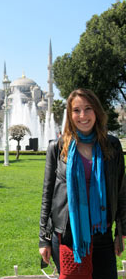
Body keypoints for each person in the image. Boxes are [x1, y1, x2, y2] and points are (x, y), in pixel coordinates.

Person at [39, 88, 126, 279]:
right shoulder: (58, 147)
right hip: (67, 235)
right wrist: (43, 240)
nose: (83, 115)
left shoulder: (111, 146)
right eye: (76, 110)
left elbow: (120, 191)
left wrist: (121, 231)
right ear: (70, 115)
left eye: (88, 108)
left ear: (97, 111)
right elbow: (48, 195)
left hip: (102, 232)